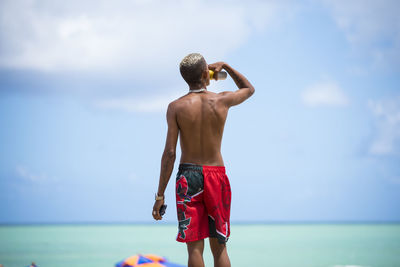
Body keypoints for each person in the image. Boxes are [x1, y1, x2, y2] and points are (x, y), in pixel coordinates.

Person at [152, 53, 255, 267]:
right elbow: (248, 89)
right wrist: (226, 65)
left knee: (194, 248)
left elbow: (169, 153)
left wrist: (160, 195)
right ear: (205, 73)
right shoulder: (222, 100)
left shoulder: (175, 107)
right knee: (219, 247)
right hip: (216, 174)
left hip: (188, 177)